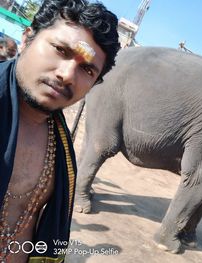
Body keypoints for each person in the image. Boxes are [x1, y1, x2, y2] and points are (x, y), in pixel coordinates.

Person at [0, 0, 120, 262]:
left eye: (87, 69)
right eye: (60, 50)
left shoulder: (61, 149)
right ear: (27, 37)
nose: (67, 74)